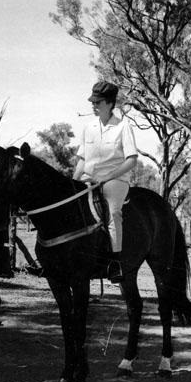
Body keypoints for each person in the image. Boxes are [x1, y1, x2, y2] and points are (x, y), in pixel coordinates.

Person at [72, 81, 138, 283]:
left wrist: (106, 177)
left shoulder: (123, 126)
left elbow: (132, 160)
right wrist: (73, 184)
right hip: (88, 179)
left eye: (98, 102)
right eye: (92, 102)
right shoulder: (88, 128)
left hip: (115, 179)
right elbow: (82, 160)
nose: (93, 105)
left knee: (113, 211)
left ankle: (115, 262)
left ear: (110, 103)